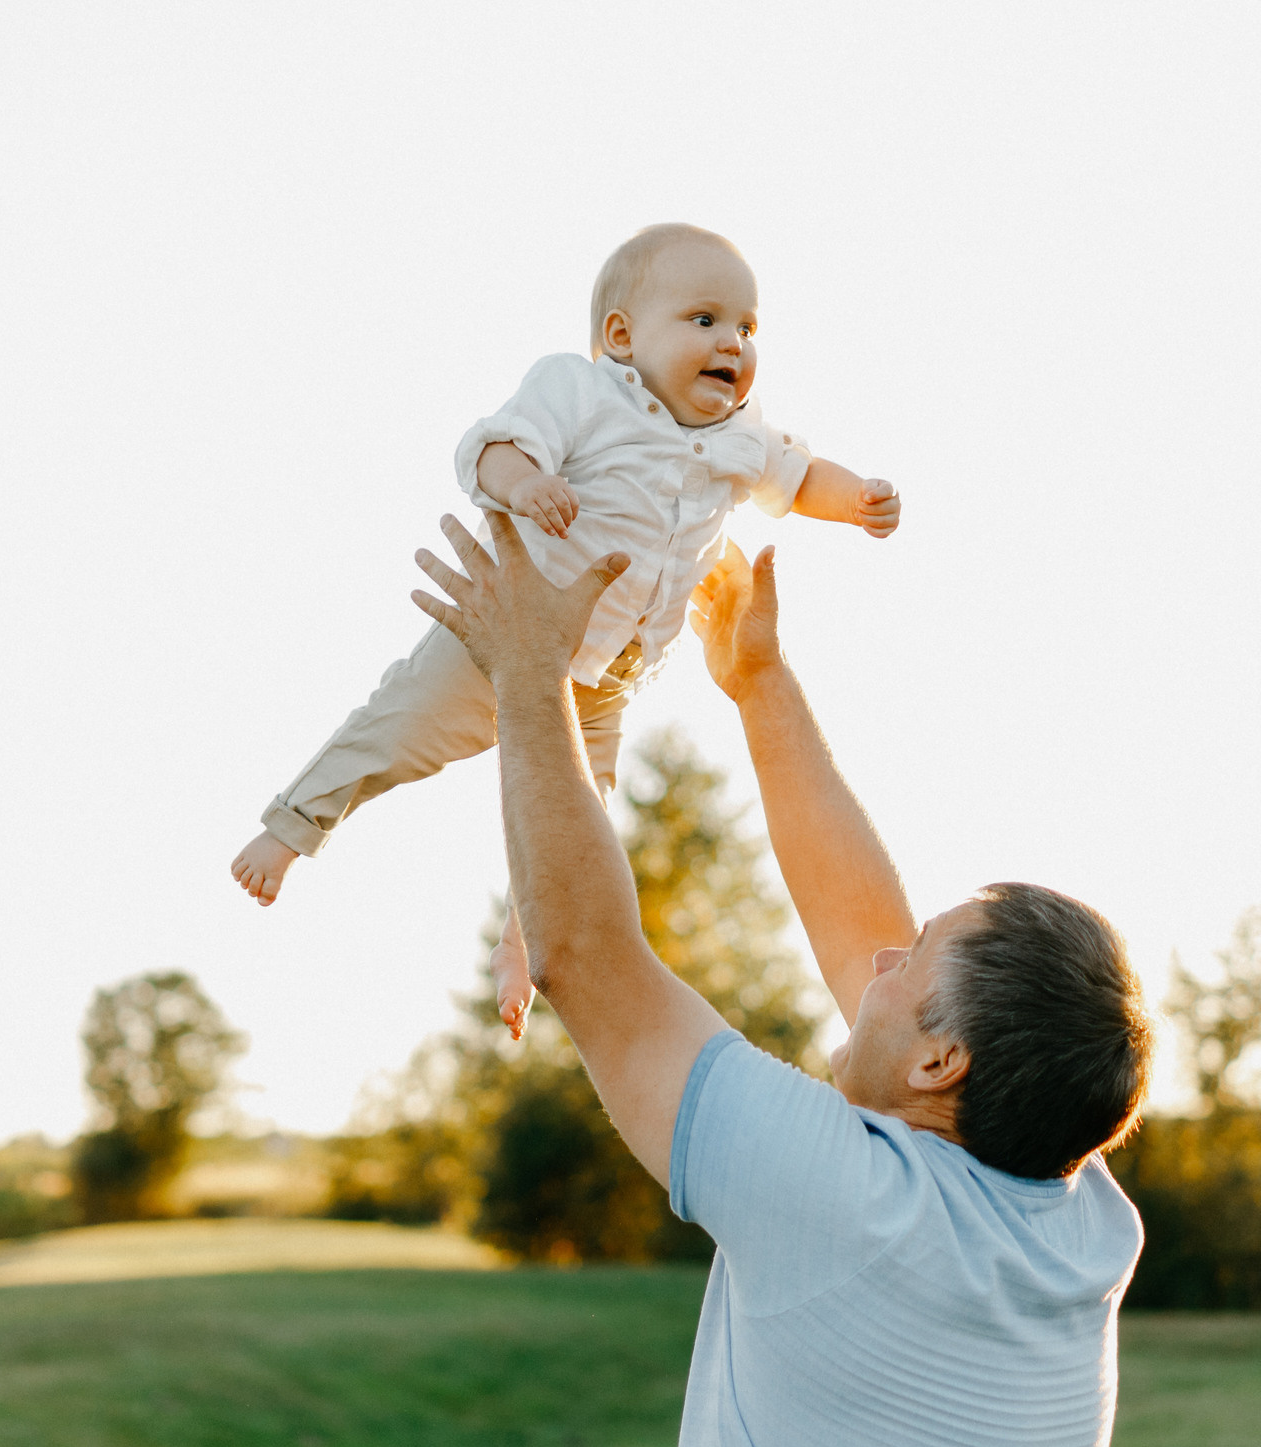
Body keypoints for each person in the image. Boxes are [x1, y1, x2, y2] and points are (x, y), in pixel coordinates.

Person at [409, 514, 1154, 1447]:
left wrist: (528, 667)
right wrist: (757, 682)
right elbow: (868, 937)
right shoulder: (1071, 1211)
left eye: (914, 959)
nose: (878, 962)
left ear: (939, 1067)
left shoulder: (849, 1207)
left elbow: (589, 956)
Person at [230, 222, 900, 1038]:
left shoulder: (742, 441)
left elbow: (801, 479)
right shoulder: (582, 393)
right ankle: (289, 829)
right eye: (705, 320)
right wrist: (527, 481)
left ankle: (524, 944)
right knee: (394, 728)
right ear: (621, 335)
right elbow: (486, 450)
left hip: (607, 679)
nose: (733, 341)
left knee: (581, 820)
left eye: (748, 327)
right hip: (506, 638)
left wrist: (858, 496)